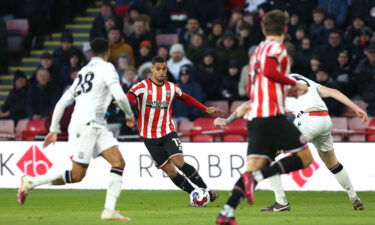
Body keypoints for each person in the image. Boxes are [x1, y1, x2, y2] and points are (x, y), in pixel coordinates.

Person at [18, 38, 135, 221]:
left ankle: (109, 211)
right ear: (108, 53)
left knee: (118, 162)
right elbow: (119, 96)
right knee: (77, 176)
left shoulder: (83, 72)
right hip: (86, 126)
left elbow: (63, 101)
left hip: (96, 126)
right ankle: (31, 181)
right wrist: (129, 115)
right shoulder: (107, 68)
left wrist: (54, 128)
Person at [214, 10, 312, 225]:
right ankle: (255, 180)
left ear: (262, 29)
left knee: (253, 165)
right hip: (271, 116)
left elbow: (253, 87)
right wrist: (293, 84)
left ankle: (226, 212)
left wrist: (286, 92)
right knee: (305, 158)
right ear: (285, 29)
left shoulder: (257, 50)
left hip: (256, 117)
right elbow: (269, 71)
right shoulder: (278, 48)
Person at [259, 73, 367, 212]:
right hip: (324, 119)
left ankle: (281, 203)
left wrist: (227, 121)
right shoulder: (300, 78)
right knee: (332, 162)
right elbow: (333, 92)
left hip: (308, 119)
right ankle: (354, 198)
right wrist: (356, 108)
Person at [125, 56, 221, 203]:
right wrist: (125, 108)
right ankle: (194, 193)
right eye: (158, 69)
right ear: (152, 69)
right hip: (149, 137)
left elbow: (186, 98)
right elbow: (130, 97)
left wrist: (205, 108)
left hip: (167, 131)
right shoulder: (142, 86)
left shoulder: (171, 87)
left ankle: (207, 190)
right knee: (170, 171)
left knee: (179, 162)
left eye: (164, 69)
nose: (161, 72)